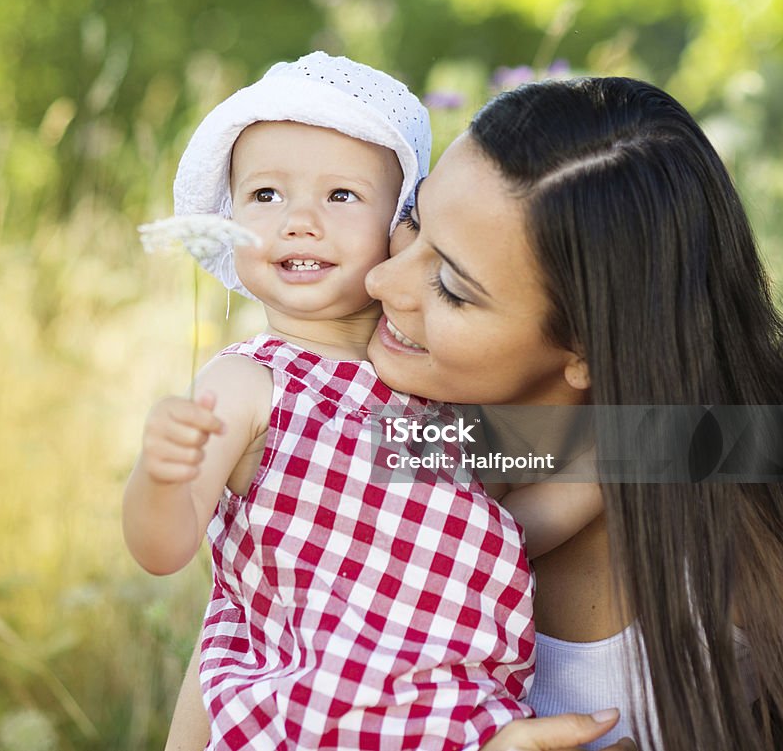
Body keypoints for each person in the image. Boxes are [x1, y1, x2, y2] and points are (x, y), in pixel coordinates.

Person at [124, 53, 538, 750]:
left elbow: (542, 477)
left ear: (400, 221)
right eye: (264, 195)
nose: (299, 221)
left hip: (450, 722)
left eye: (340, 196)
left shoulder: (421, 385)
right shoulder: (252, 383)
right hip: (309, 724)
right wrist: (161, 476)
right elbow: (164, 549)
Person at [364, 75, 783, 751]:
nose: (378, 281)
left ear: (587, 344)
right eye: (411, 218)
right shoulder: (343, 421)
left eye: (450, 287)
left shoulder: (737, 551)